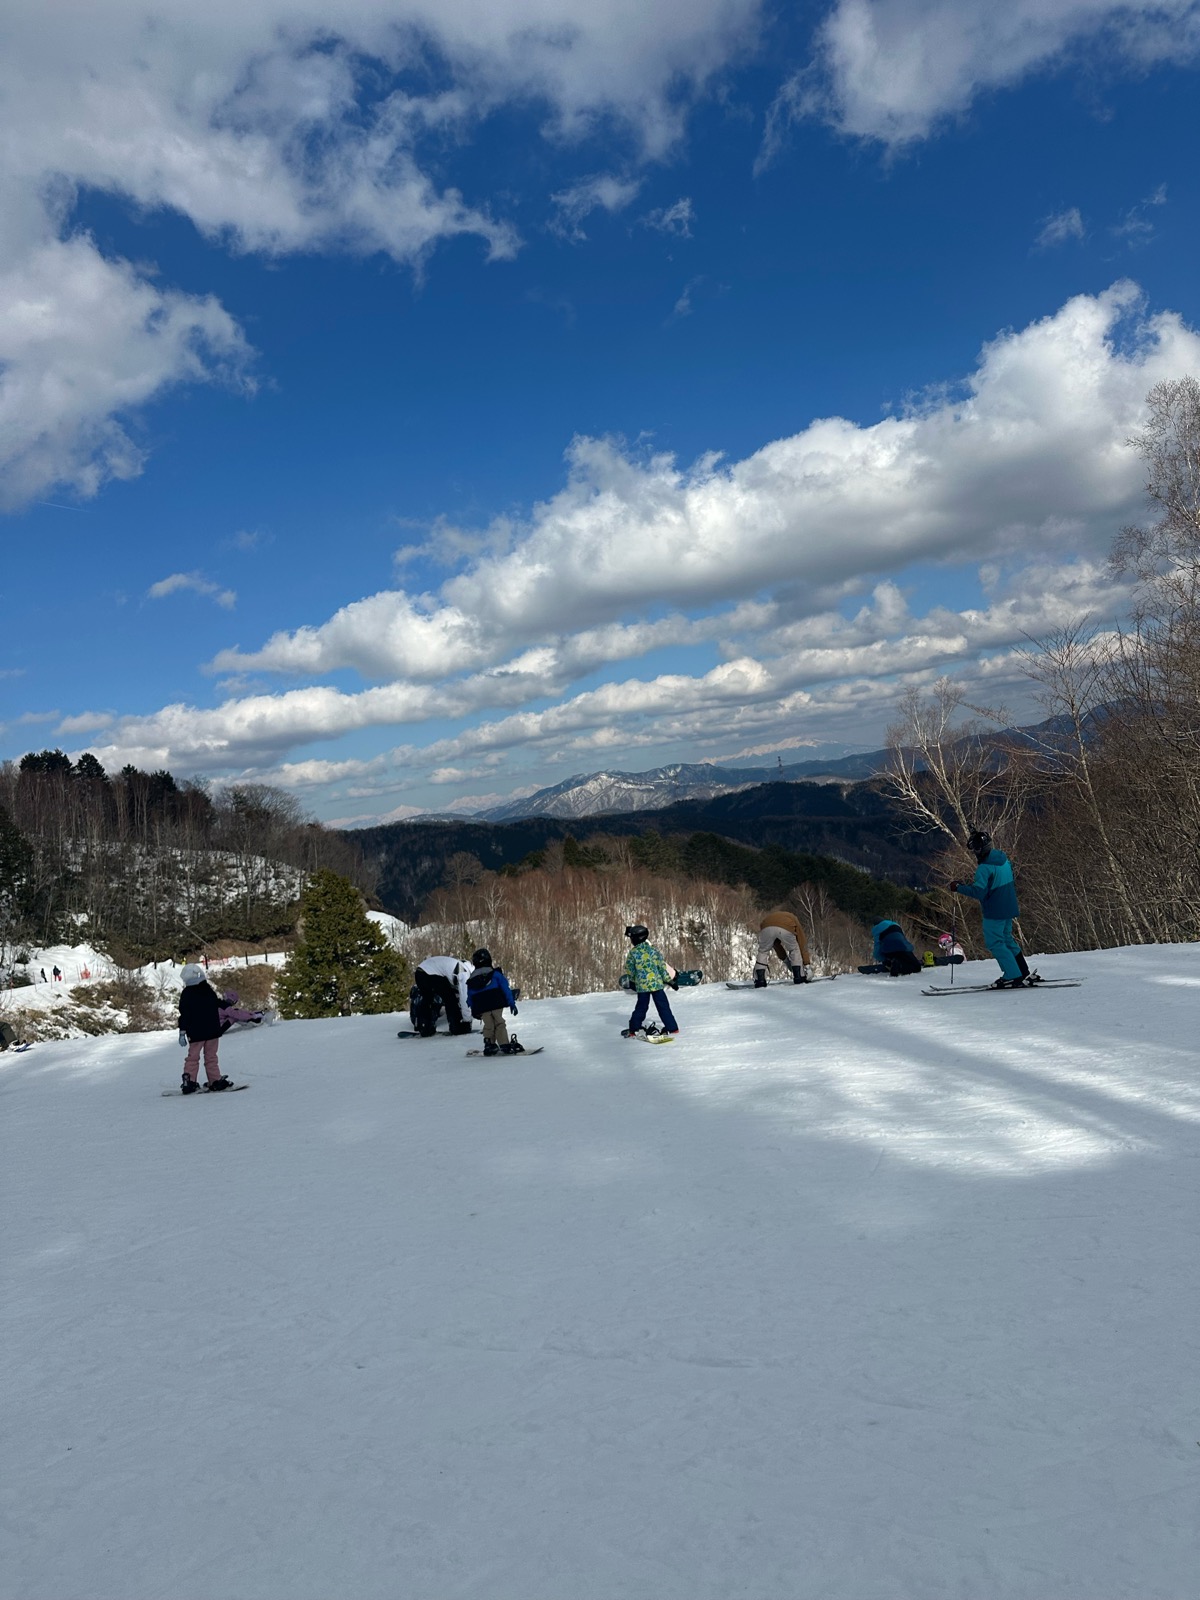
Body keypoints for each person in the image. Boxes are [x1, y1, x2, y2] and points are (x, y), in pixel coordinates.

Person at [951, 829, 1035, 988]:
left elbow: (979, 892)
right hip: (1008, 906)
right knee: (1007, 940)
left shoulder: (984, 868)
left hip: (994, 910)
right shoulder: (1003, 859)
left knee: (995, 942)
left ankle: (1012, 975)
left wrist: (959, 887)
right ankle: (1023, 971)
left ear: (978, 850)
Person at [178, 964, 234, 1092]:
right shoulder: (207, 990)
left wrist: (182, 1031)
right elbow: (217, 1003)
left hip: (196, 1032)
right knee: (211, 1056)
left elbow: (184, 1014)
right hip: (212, 1031)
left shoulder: (187, 993)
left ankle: (189, 1081)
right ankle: (215, 1080)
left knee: (192, 1057)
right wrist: (228, 1004)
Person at [621, 924, 679, 1038]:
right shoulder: (653, 950)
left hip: (643, 987)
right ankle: (672, 1028)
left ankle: (634, 1028)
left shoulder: (633, 953)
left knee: (641, 1007)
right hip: (657, 985)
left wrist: (632, 981)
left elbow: (629, 969)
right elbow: (662, 967)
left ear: (635, 939)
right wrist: (670, 981)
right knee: (663, 1007)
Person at [465, 948, 524, 1056]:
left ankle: (489, 1044)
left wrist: (473, 1009)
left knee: (488, 1025)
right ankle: (504, 1044)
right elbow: (505, 989)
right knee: (499, 1023)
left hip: (482, 1007)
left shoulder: (472, 978)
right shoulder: (495, 974)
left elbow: (470, 996)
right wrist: (512, 1003)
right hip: (496, 1004)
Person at [412, 954, 475, 1037]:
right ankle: (456, 1027)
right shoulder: (465, 974)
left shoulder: (456, 965)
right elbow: (464, 999)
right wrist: (467, 1020)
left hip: (419, 972)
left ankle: (424, 1026)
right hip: (432, 974)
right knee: (450, 999)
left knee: (427, 999)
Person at [753, 910, 811, 986]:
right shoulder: (793, 919)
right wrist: (807, 965)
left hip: (766, 927)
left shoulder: (771, 918)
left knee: (763, 951)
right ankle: (799, 977)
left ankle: (759, 980)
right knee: (794, 950)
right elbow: (801, 940)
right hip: (786, 927)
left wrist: (786, 960)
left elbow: (776, 945)